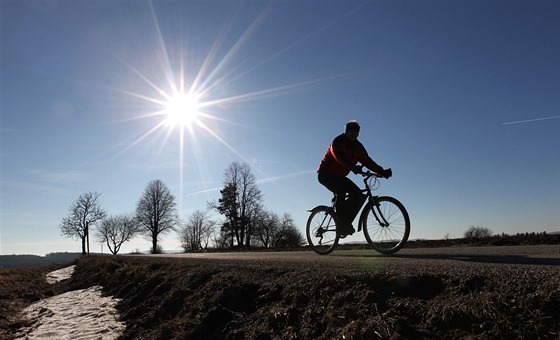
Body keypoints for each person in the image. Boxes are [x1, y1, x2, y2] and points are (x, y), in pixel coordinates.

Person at [317, 120, 392, 237]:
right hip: (325, 174)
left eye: (356, 132)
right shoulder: (338, 141)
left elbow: (367, 161)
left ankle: (344, 220)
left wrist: (382, 171)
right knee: (341, 191)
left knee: (358, 194)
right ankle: (341, 224)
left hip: (340, 177)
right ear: (346, 131)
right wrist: (352, 167)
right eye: (352, 131)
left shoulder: (358, 147)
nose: (354, 134)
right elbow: (338, 156)